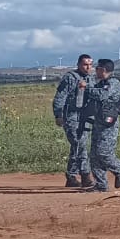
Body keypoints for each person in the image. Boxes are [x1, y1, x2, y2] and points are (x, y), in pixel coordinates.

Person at [82, 58, 120, 192]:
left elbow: (102, 95)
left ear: (104, 70)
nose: (95, 70)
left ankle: (119, 169)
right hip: (98, 122)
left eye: (98, 68)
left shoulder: (113, 83)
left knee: (104, 152)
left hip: (109, 125)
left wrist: (86, 88)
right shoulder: (100, 83)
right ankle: (101, 185)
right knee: (94, 156)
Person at [52, 54, 94, 189]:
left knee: (76, 147)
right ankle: (85, 175)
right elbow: (60, 97)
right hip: (71, 117)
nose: (88, 67)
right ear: (78, 65)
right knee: (80, 145)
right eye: (85, 64)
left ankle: (71, 176)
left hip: (85, 118)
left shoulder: (90, 79)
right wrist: (58, 115)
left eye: (90, 64)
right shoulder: (70, 78)